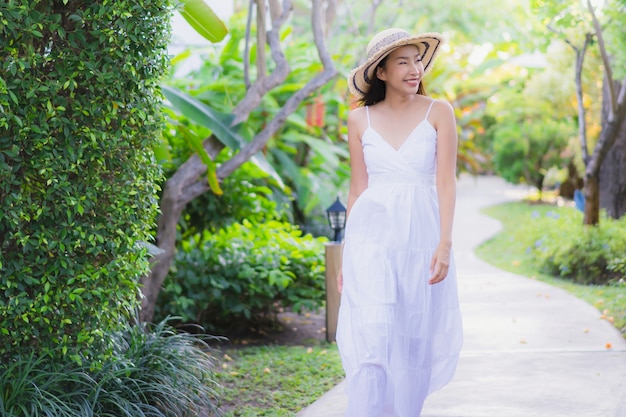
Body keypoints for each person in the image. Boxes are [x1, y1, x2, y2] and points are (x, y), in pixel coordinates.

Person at [335, 28, 463, 416]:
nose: (414, 68)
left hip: (422, 238)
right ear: (382, 73)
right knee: (372, 338)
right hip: (370, 238)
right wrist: (345, 255)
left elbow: (445, 182)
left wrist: (445, 243)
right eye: (402, 61)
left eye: (417, 59)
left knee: (412, 340)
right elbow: (358, 190)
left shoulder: (439, 111)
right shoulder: (359, 120)